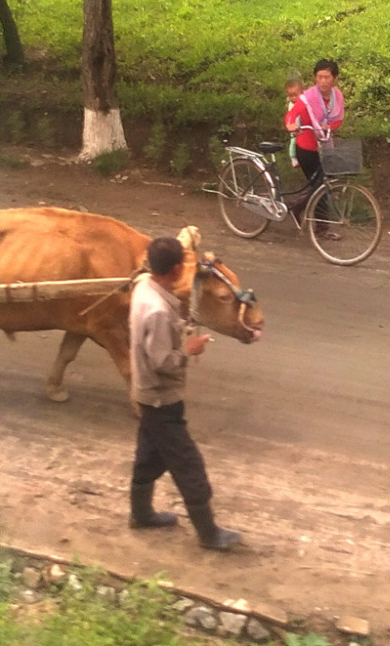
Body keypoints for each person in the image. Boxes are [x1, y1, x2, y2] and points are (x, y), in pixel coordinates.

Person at [127, 236, 241, 551]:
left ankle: (141, 513)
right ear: (177, 268)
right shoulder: (158, 312)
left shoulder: (143, 288)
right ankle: (209, 534)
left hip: (145, 393)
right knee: (188, 465)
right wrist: (188, 350)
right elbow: (162, 361)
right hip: (162, 396)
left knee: (149, 455)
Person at [285, 58, 344, 187]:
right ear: (315, 78)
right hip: (306, 147)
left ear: (334, 78)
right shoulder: (308, 97)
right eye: (319, 77)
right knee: (318, 186)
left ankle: (295, 207)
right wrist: (290, 124)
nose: (323, 81)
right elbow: (292, 113)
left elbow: (338, 120)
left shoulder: (337, 96)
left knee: (323, 186)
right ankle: (299, 207)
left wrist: (328, 126)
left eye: (327, 77)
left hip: (325, 147)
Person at [284, 76, 304, 170]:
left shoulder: (304, 101)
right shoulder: (292, 105)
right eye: (290, 95)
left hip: (304, 127)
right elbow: (290, 116)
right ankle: (293, 158)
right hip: (295, 128)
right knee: (293, 142)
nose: (293, 97)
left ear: (301, 92)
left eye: (295, 95)